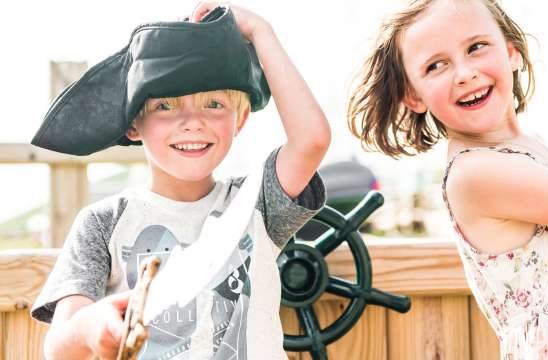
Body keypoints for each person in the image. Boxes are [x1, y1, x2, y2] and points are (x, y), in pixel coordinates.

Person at [31, 3, 329, 360]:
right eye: (165, 106)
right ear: (132, 124)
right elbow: (58, 349)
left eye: (214, 104)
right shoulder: (102, 223)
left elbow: (311, 140)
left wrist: (260, 31)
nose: (192, 121)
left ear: (241, 118)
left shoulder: (257, 203)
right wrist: (90, 327)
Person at [348, 0, 548, 358]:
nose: (464, 73)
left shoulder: (531, 148)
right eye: (436, 65)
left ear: (511, 53)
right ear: (413, 95)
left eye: (476, 47)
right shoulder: (476, 174)